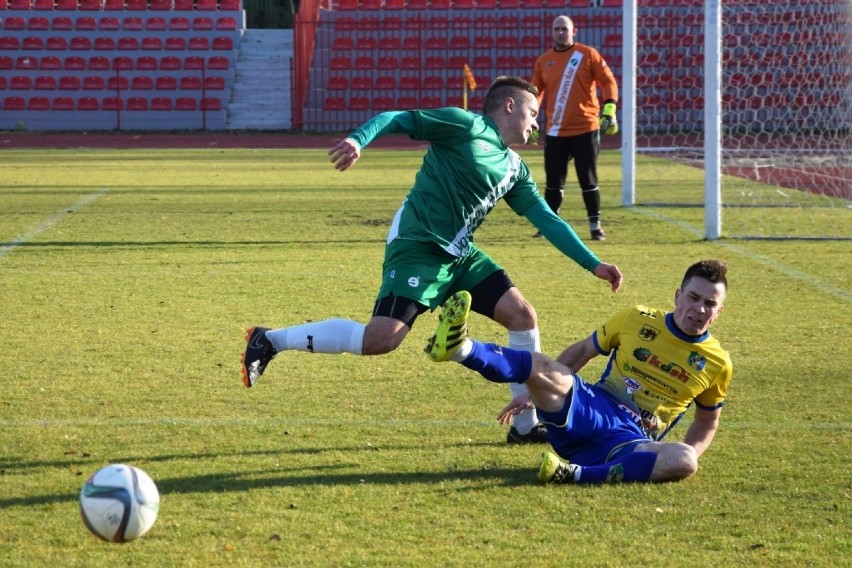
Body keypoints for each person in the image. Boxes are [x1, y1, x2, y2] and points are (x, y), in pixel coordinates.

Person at [241, 77, 624, 445]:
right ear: (510, 106)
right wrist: (358, 140)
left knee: (522, 315)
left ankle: (525, 425)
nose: (537, 122)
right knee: (381, 339)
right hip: (418, 245)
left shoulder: (514, 168)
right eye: (533, 112)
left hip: (461, 254)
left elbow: (547, 219)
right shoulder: (465, 125)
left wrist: (593, 264)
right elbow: (397, 117)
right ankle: (270, 339)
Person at [425, 259, 732, 484]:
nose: (699, 309)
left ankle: (576, 474)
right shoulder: (638, 319)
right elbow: (583, 350)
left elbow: (707, 421)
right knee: (541, 364)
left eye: (710, 303)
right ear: (678, 296)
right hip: (589, 409)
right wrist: (534, 392)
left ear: (718, 312)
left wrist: (670, 455)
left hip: (628, 442)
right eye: (693, 298)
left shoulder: (717, 363)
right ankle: (461, 348)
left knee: (684, 459)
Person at [531, 15, 620, 241]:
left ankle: (595, 225)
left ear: (574, 31)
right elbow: (536, 92)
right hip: (556, 130)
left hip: (586, 128)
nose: (561, 32)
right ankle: (550, 226)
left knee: (588, 180)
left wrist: (609, 108)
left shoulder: (587, 54)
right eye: (557, 29)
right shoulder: (544, 61)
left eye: (564, 29)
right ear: (552, 32)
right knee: (553, 182)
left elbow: (608, 81)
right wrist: (530, 116)